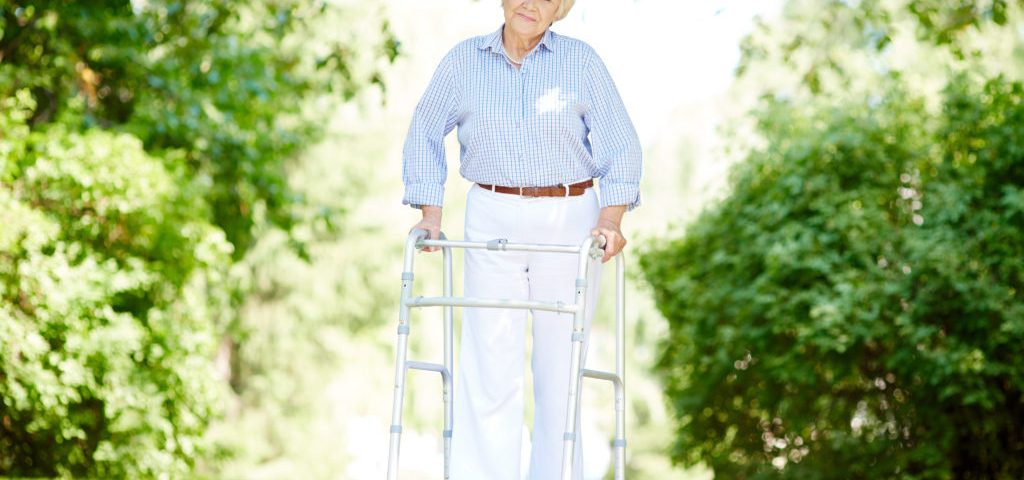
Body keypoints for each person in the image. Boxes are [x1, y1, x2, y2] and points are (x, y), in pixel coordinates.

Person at [402, 0, 641, 478]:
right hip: (492, 212)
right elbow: (425, 127)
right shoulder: (464, 61)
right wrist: (431, 212)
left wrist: (611, 220)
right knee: (489, 365)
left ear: (560, 9)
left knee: (559, 371)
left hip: (571, 217)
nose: (530, 2)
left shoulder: (582, 62)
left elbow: (622, 145)